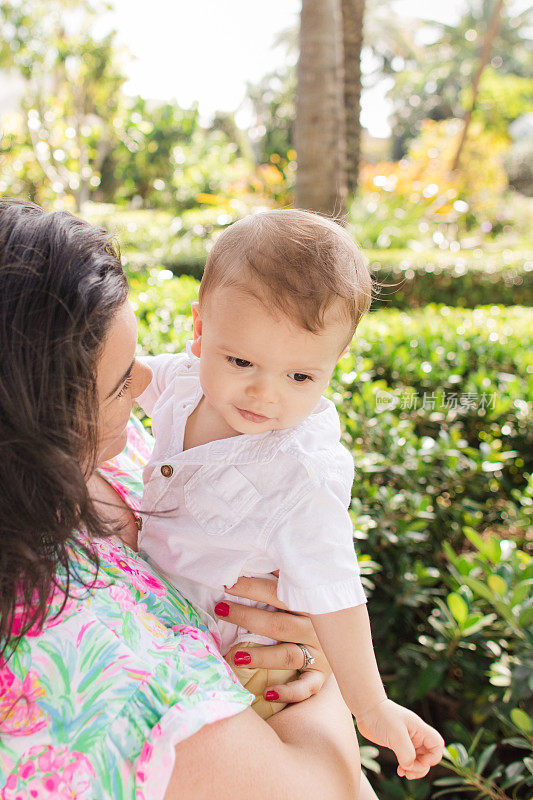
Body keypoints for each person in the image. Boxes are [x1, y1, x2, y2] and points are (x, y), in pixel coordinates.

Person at [0, 198, 385, 800]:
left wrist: (325, 661)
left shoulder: (123, 453)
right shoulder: (63, 641)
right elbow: (325, 790)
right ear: (36, 407)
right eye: (122, 381)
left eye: (302, 376)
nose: (146, 387)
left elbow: (334, 596)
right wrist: (334, 687)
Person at [136, 210, 445, 776]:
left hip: (243, 663)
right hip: (168, 638)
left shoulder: (303, 470)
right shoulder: (183, 379)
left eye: (300, 376)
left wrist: (370, 706)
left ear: (333, 366)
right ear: (200, 330)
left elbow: (335, 593)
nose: (265, 393)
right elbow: (119, 376)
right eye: (241, 361)